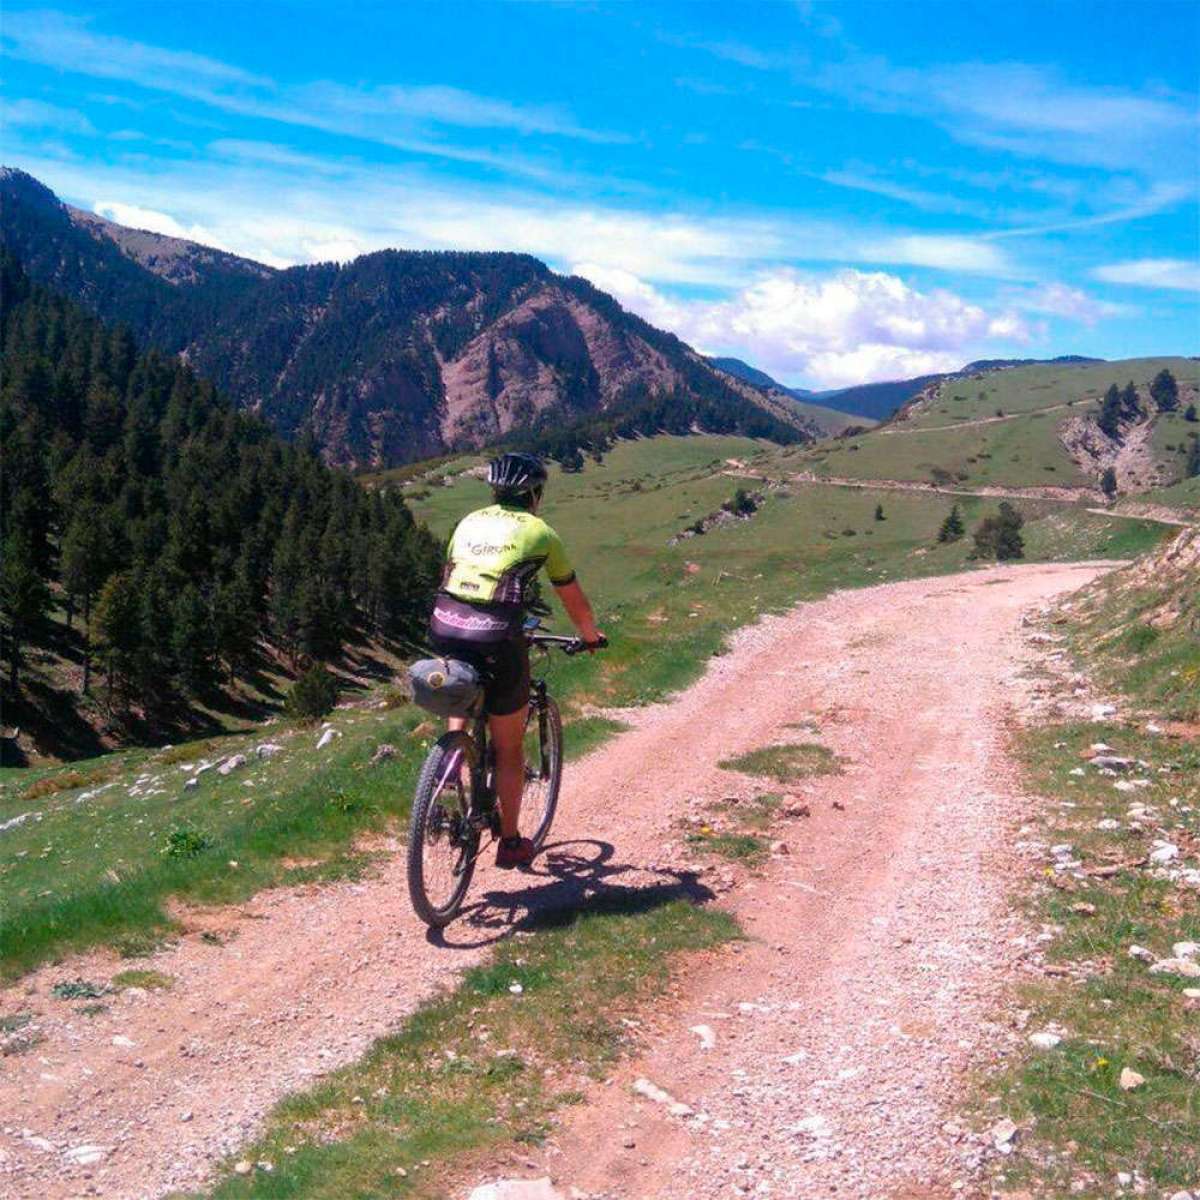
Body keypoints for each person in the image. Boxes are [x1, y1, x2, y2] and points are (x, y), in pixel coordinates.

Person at [429, 452, 604, 868]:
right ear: (535, 494)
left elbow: (455, 575)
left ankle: (452, 759)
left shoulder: (468, 522)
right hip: (498, 636)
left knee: (462, 686)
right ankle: (510, 842)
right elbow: (571, 596)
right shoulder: (541, 533)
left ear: (495, 490)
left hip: (446, 624)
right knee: (509, 748)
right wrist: (590, 637)